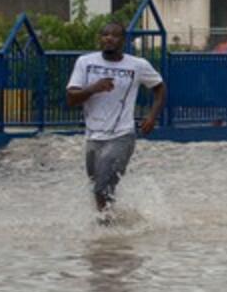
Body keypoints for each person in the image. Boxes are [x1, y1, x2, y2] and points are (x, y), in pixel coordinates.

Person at [67, 22, 166, 212]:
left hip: (122, 135)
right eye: (105, 35)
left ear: (123, 40)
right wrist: (93, 88)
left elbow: (160, 87)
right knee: (100, 189)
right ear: (100, 38)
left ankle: (106, 233)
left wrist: (152, 116)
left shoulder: (138, 65)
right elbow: (71, 99)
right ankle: (116, 226)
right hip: (93, 137)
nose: (109, 38)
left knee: (101, 187)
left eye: (114, 35)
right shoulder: (85, 62)